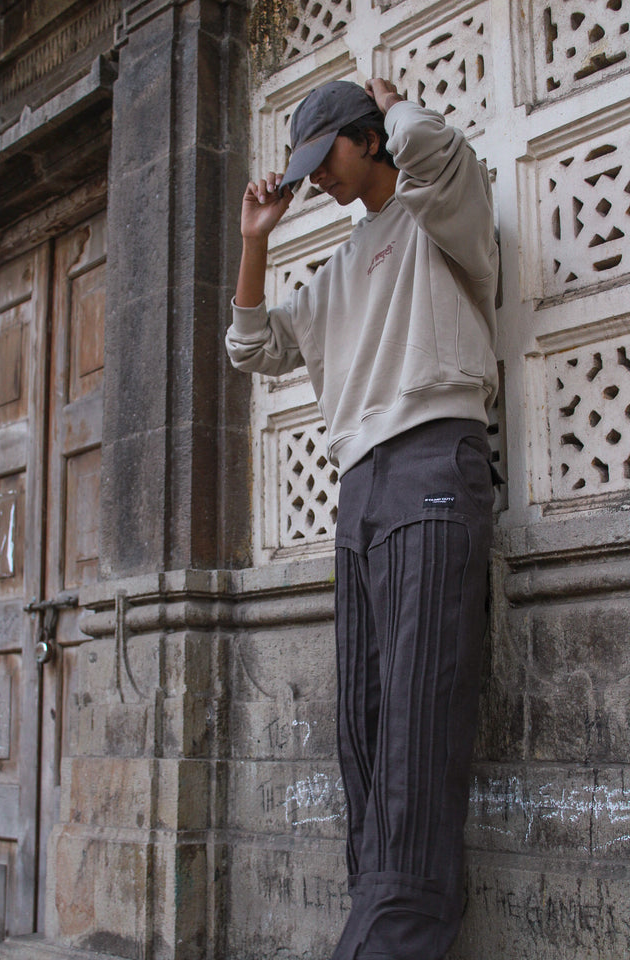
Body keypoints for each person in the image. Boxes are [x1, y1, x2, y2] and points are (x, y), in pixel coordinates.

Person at [226, 77, 499, 960]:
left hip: (432, 462)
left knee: (418, 733)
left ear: (370, 137)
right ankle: (383, 928)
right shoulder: (336, 273)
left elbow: (437, 152)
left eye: (327, 157)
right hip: (360, 494)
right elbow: (253, 346)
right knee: (367, 734)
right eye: (306, 169)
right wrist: (253, 245)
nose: (319, 181)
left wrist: (396, 102)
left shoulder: (440, 212)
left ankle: (385, 945)